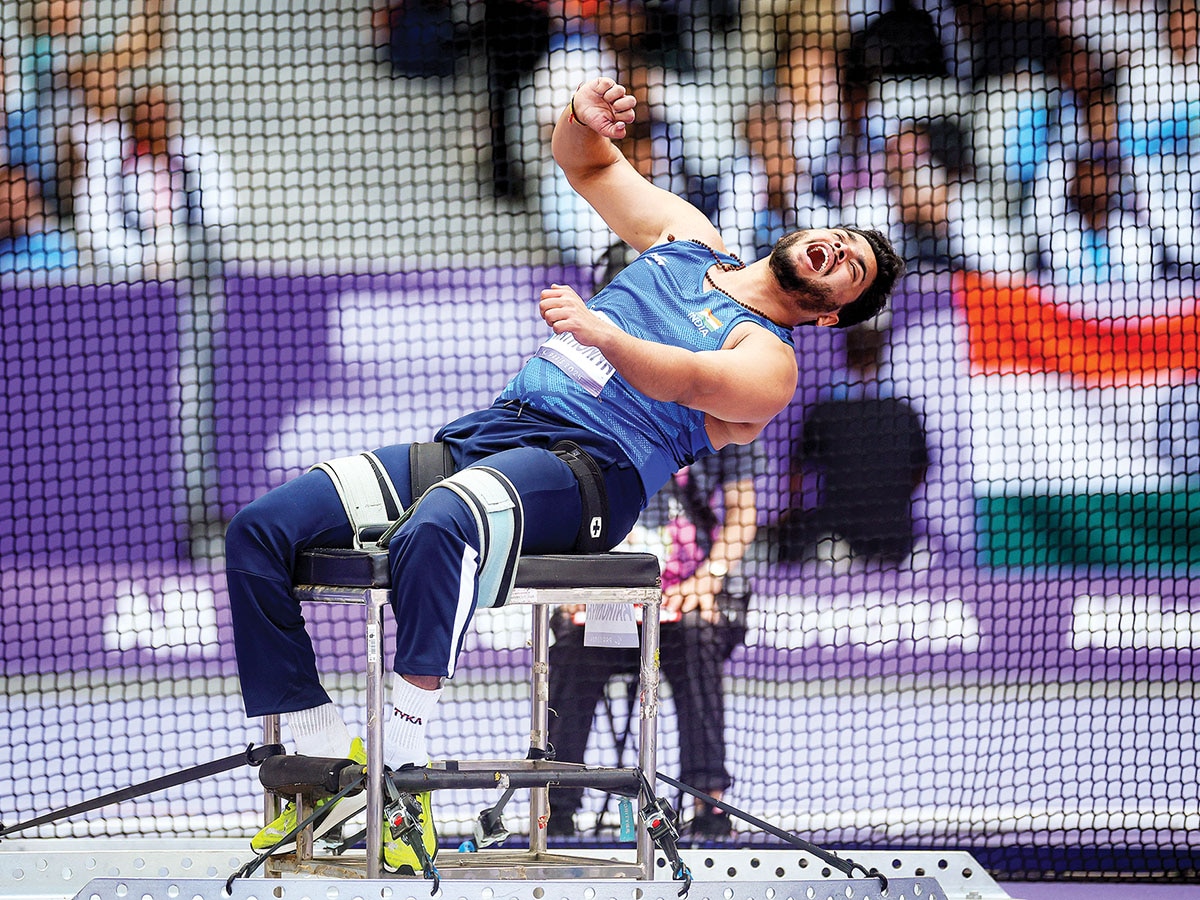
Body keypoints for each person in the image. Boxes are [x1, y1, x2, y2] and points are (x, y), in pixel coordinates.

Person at [225, 75, 902, 874]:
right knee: (259, 532)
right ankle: (325, 763)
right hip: (492, 434)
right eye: (843, 240)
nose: (837, 252)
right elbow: (587, 168)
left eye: (850, 271)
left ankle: (397, 780)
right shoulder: (689, 237)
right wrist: (579, 120)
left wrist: (603, 334)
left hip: (588, 473)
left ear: (828, 311)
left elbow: (683, 378)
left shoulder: (770, 360)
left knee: (443, 519)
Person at [546, 440, 760, 840]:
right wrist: (571, 585)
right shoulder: (597, 415)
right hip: (607, 596)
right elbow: (562, 508)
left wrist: (709, 578)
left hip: (690, 597)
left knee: (696, 637)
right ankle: (556, 807)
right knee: (572, 646)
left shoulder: (721, 413)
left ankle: (707, 801)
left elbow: (743, 514)